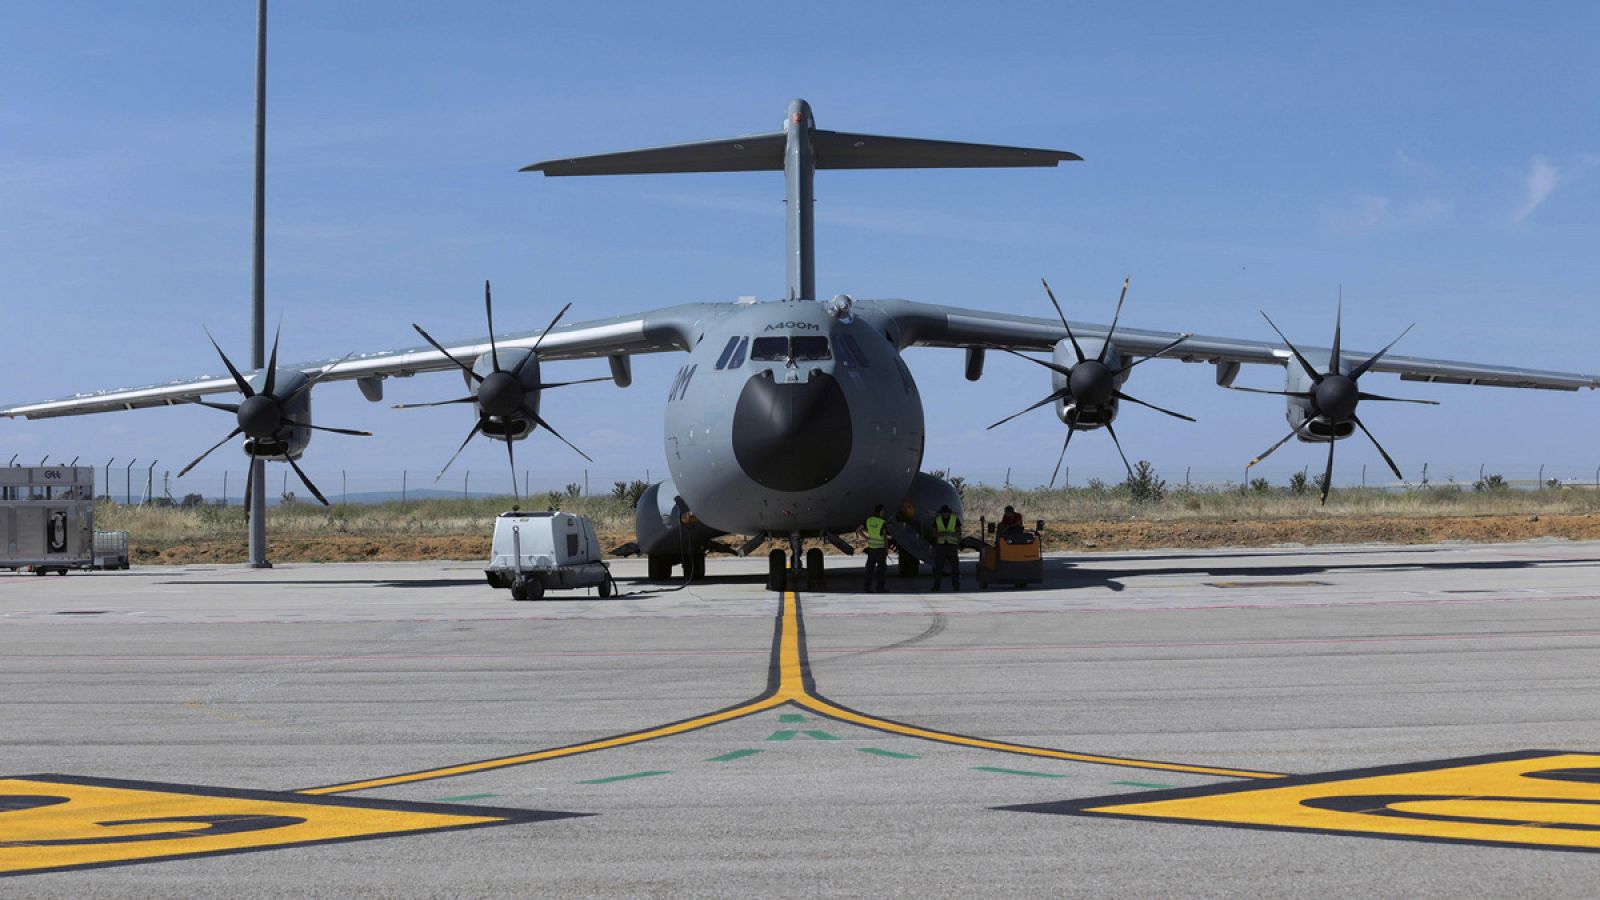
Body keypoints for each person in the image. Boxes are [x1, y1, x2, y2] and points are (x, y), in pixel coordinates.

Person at [856, 504, 889, 593]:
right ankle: (880, 587)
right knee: (881, 570)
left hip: (871, 548)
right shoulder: (882, 522)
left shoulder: (868, 520)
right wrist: (886, 549)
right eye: (883, 511)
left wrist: (866, 538)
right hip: (880, 548)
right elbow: (885, 536)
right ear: (881, 511)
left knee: (869, 569)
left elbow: (858, 530)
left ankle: (867, 587)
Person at [930, 504, 962, 591]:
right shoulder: (937, 520)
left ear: (949, 513)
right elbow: (933, 534)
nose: (945, 514)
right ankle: (936, 586)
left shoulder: (955, 520)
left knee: (954, 567)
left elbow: (959, 533)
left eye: (946, 513)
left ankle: (956, 586)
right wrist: (941, 534)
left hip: (952, 546)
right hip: (941, 546)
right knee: (938, 567)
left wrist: (951, 534)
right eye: (943, 513)